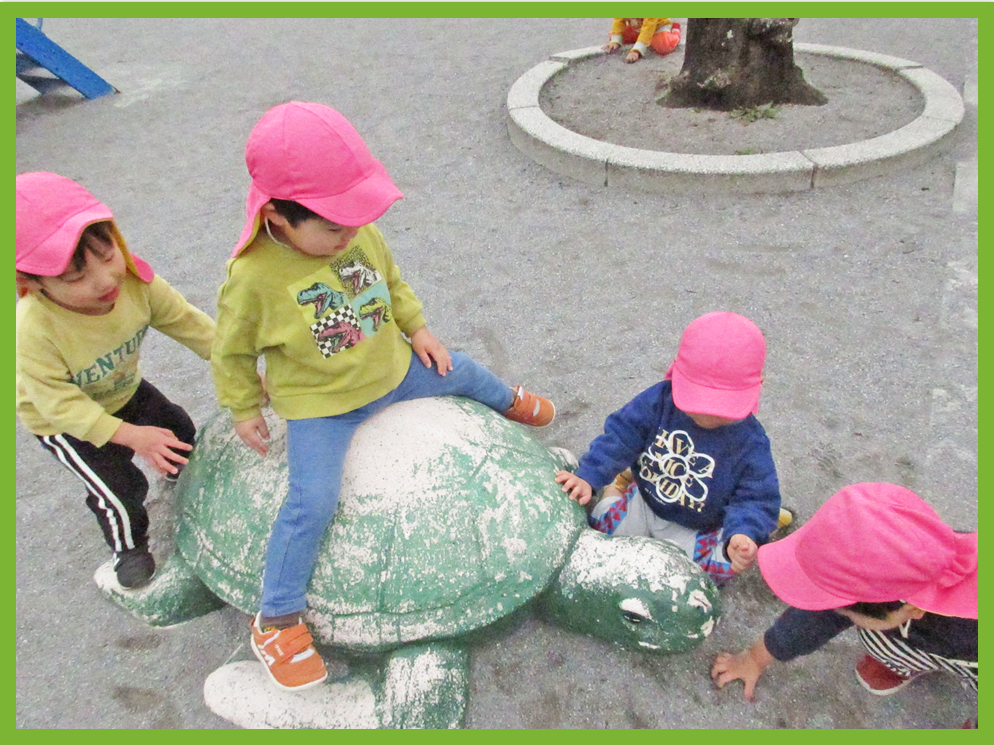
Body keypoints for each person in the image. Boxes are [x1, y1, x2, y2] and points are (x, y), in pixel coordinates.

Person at [212, 101, 556, 692]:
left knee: (465, 369)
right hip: (323, 407)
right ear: (278, 217)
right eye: (333, 229)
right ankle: (277, 617)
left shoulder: (354, 228)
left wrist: (418, 329)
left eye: (356, 221)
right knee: (312, 503)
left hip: (394, 371)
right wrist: (243, 407)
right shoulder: (251, 279)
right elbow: (231, 353)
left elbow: (390, 282)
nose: (351, 235)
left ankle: (507, 401)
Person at [16, 172, 216, 590]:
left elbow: (190, 324)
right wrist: (132, 437)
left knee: (179, 430)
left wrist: (239, 368)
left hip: (122, 388)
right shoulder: (31, 332)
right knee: (118, 487)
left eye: (108, 256)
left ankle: (185, 481)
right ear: (29, 282)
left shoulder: (135, 282)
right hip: (65, 423)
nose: (105, 280)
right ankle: (129, 547)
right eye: (75, 278)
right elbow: (60, 406)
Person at [711, 483, 977, 720]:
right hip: (923, 631)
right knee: (879, 637)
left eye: (845, 611)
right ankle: (902, 659)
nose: (835, 612)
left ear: (912, 608)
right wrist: (755, 658)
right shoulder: (919, 558)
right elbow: (820, 616)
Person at [556, 312, 781, 583]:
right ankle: (618, 487)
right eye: (696, 402)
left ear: (757, 387)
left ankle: (750, 530)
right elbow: (620, 436)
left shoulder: (751, 443)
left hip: (699, 526)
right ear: (676, 371)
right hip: (646, 502)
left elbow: (757, 497)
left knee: (711, 574)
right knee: (598, 534)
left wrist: (744, 533)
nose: (707, 415)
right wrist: (588, 476)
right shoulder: (658, 402)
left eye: (722, 409)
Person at [604, 18, 682, 63]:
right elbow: (618, 20)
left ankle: (675, 31)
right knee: (616, 36)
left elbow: (649, 27)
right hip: (637, 27)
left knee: (663, 47)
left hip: (657, 27)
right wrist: (615, 40)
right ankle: (641, 39)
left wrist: (636, 51)